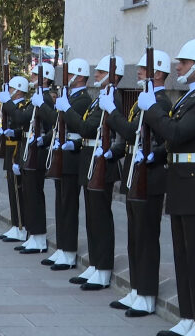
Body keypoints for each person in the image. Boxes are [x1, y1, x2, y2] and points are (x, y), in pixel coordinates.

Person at [138, 39, 195, 336]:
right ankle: (189, 315)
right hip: (181, 183)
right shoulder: (190, 98)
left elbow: (175, 132)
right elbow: (172, 139)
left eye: (183, 62)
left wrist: (153, 110)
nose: (177, 66)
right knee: (183, 255)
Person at [102, 50, 172, 315]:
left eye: (144, 68)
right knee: (134, 236)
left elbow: (133, 133)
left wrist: (112, 114)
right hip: (135, 172)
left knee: (146, 237)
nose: (139, 71)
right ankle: (136, 289)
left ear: (159, 72)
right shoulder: (143, 100)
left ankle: (147, 294)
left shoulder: (161, 102)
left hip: (150, 176)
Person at [60, 54, 126, 289]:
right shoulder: (102, 96)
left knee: (100, 218)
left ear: (114, 75)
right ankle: (96, 264)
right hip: (90, 160)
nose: (96, 75)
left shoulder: (112, 96)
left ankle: (104, 268)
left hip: (101, 164)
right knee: (91, 217)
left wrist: (67, 110)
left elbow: (88, 128)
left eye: (100, 72)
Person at [32, 58, 91, 270]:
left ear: (80, 76)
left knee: (68, 206)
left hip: (72, 157)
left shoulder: (83, 99)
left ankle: (69, 251)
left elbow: (65, 121)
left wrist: (57, 108)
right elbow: (58, 123)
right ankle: (62, 247)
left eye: (70, 75)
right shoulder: (71, 97)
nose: (66, 79)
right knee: (60, 205)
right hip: (62, 154)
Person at [18, 63, 56, 254]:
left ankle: (40, 237)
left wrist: (43, 140)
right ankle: (33, 234)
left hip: (39, 152)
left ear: (46, 78)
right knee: (29, 195)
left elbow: (53, 126)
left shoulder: (47, 99)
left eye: (35, 75)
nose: (31, 77)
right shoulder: (38, 97)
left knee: (35, 195)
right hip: (31, 151)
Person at [0, 77, 29, 242]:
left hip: (18, 150)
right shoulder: (13, 106)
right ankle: (16, 225)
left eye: (10, 89)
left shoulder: (22, 106)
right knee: (12, 189)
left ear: (18, 90)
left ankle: (22, 227)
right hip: (10, 151)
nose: (8, 92)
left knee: (19, 190)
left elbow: (20, 121)